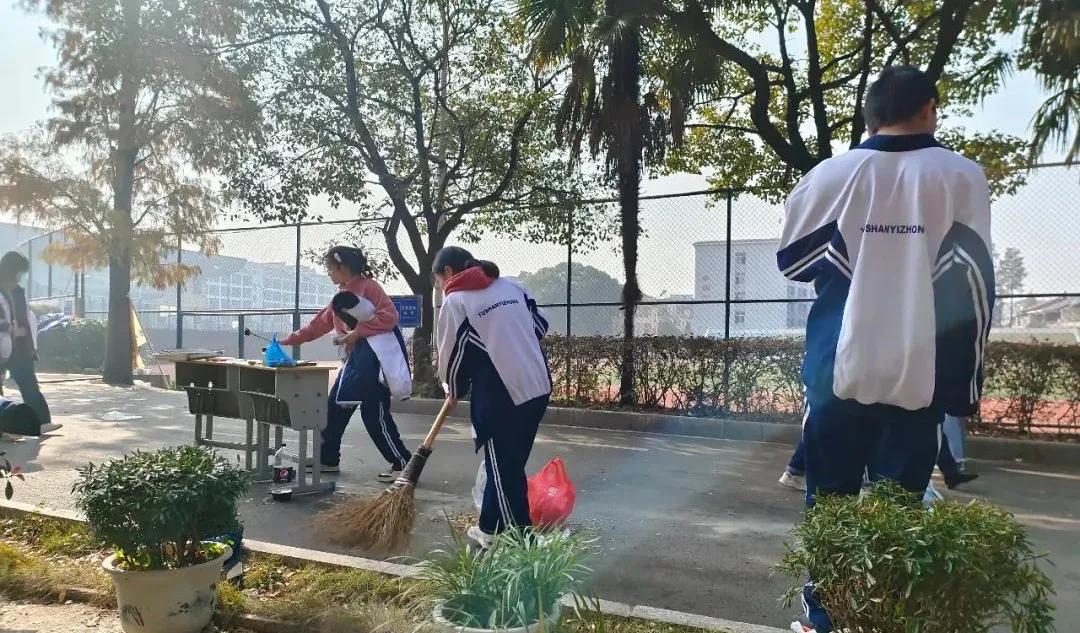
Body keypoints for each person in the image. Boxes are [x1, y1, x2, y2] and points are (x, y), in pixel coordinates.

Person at [777, 66, 994, 633]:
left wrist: (861, 248)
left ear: (871, 113)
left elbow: (794, 262)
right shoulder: (960, 176)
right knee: (898, 508)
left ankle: (822, 618)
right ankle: (884, 619)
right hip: (918, 373)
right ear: (929, 108)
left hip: (834, 370)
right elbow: (972, 285)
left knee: (829, 503)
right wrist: (964, 386)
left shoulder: (830, 175)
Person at [433, 246, 551, 549]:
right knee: (510, 462)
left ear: (446, 272)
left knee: (503, 465)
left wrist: (452, 388)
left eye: (436, 279)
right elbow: (539, 324)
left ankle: (521, 537)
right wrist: (512, 345)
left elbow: (453, 356)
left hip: (502, 394)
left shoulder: (456, 300)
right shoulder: (512, 286)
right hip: (536, 383)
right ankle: (490, 526)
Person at [279, 246, 412, 482]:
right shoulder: (339, 295)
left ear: (342, 268)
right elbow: (319, 324)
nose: (329, 273)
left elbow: (390, 317)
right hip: (354, 362)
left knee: (375, 414)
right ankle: (328, 459)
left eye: (330, 269)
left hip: (374, 361)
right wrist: (290, 339)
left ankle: (402, 463)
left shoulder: (369, 287)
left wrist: (357, 333)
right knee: (333, 409)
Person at [0, 251, 61, 437]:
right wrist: (8, 330)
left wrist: (31, 345)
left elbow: (28, 319)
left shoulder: (18, 292)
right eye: (18, 272)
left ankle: (42, 422)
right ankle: (5, 427)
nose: (20, 277)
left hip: (19, 349)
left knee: (29, 384)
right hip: (4, 345)